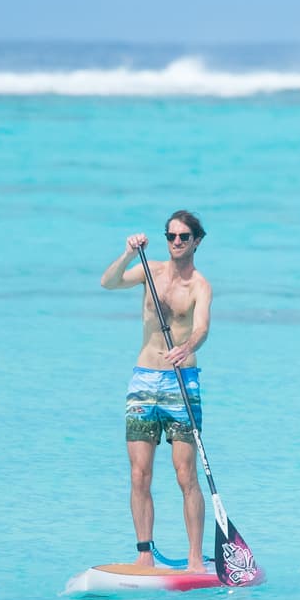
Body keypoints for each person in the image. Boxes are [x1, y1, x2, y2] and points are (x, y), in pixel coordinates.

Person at [99, 211, 211, 572]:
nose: (175, 242)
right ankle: (144, 554)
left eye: (183, 237)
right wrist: (129, 253)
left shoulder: (200, 286)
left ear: (196, 241)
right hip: (144, 381)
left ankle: (195, 559)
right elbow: (109, 282)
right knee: (139, 474)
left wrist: (188, 345)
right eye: (171, 236)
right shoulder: (151, 272)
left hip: (182, 383)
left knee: (185, 474)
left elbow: (203, 328)